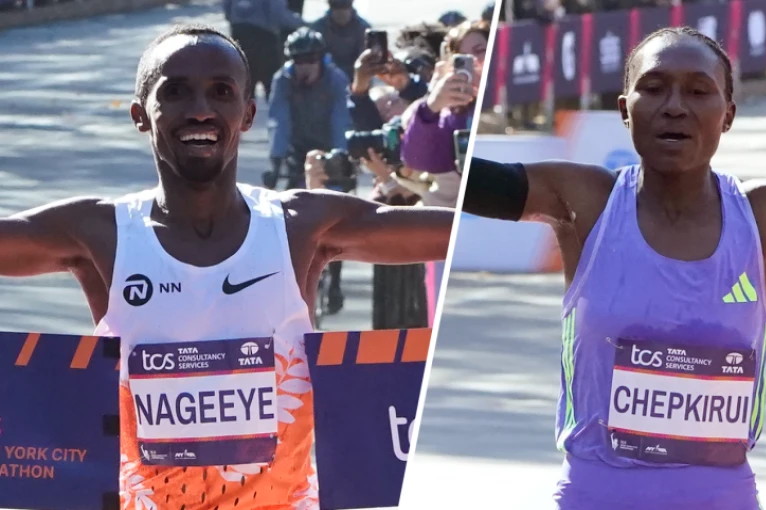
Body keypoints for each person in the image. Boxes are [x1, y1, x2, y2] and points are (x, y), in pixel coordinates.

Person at [0, 24, 452, 510]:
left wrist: (527, 206)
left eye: (221, 91)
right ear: (140, 116)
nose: (200, 109)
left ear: (248, 113)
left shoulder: (299, 227)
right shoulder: (101, 233)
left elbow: (454, 230)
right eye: (175, 92)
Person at [462, 27, 766, 510]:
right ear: (625, 108)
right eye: (653, 88)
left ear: (727, 115)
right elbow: (482, 183)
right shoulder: (585, 200)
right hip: (596, 496)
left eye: (698, 91)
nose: (674, 106)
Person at [268, 27, 353, 314]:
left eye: (309, 61)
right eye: (298, 61)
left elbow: (341, 119)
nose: (304, 67)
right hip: (297, 152)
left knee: (338, 224)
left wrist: (340, 156)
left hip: (331, 151)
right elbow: (278, 119)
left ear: (320, 59)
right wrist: (275, 160)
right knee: (290, 218)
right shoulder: (283, 80)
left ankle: (336, 282)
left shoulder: (335, 79)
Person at [400, 20, 488, 175]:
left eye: (480, 50)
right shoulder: (453, 112)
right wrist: (431, 107)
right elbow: (419, 160)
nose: (473, 61)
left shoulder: (504, 97)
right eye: (462, 59)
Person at [223, 0, 303, 100]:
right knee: (273, 85)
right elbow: (278, 13)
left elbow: (227, 8)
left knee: (244, 84)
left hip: (239, 33)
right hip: (264, 37)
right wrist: (302, 23)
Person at [309, 0, 371, 81]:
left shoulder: (363, 28)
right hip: (326, 77)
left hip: (355, 75)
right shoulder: (318, 28)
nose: (341, 12)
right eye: (336, 6)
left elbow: (366, 58)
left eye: (345, 6)